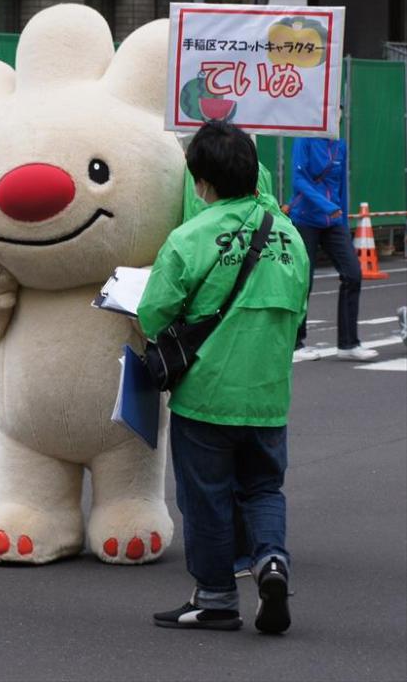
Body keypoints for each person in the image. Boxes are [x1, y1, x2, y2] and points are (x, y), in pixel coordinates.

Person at [137, 121, 309, 633]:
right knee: (263, 488)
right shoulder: (289, 235)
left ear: (201, 182)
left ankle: (215, 598)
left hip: (206, 396)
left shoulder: (189, 238)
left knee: (206, 497)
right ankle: (271, 561)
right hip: (267, 395)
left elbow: (151, 314)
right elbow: (297, 312)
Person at [285, 133, 378, 362]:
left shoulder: (340, 146)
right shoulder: (304, 139)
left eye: (340, 111)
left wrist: (344, 222)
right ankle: (295, 345)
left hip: (333, 221)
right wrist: (325, 205)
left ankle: (348, 345)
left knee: (353, 274)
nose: (337, 116)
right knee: (303, 281)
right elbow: (299, 180)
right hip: (305, 218)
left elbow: (341, 187)